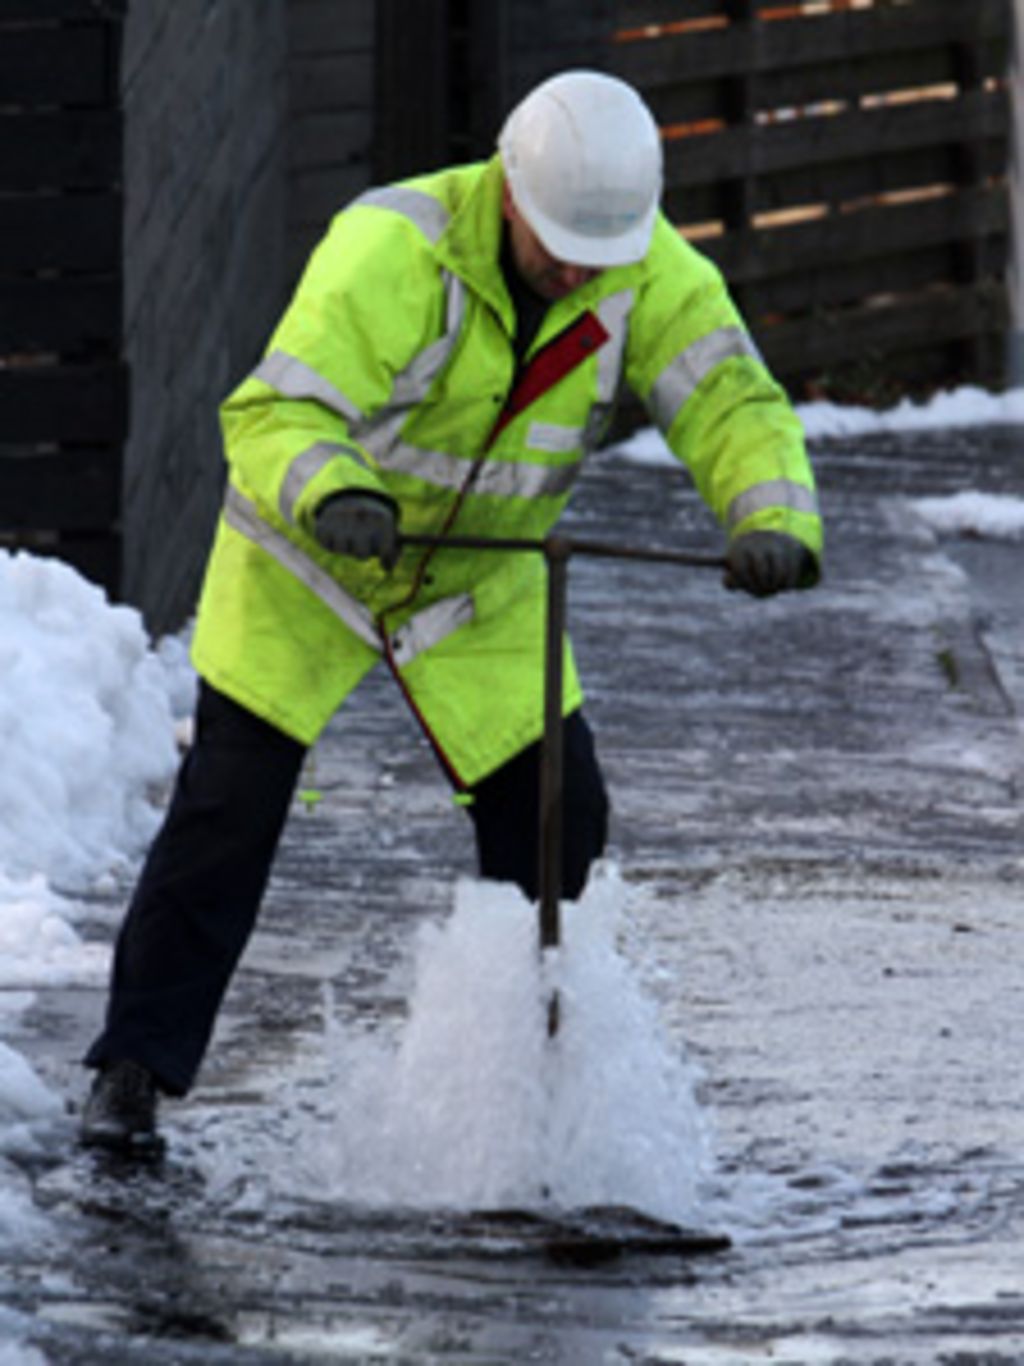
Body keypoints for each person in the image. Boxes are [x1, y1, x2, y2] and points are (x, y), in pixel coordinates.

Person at [80, 70, 822, 1157]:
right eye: (558, 243)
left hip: (482, 579)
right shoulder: (394, 246)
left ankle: (525, 1066)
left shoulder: (640, 262)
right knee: (226, 812)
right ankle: (130, 1071)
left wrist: (770, 512)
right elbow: (275, 408)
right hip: (308, 562)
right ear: (510, 193)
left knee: (559, 815)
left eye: (598, 256)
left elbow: (727, 397)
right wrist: (335, 490)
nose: (577, 270)